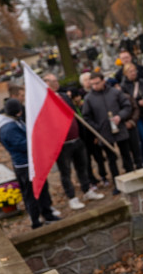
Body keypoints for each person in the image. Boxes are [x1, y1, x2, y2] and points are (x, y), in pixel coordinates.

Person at [43, 74, 104, 210]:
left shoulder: (64, 96)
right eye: (53, 81)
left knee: (82, 167)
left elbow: (74, 114)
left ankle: (87, 190)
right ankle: (72, 197)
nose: (56, 83)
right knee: (66, 172)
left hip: (77, 138)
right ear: (46, 84)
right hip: (62, 144)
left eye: (56, 80)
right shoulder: (45, 102)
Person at [0, 98, 60, 227]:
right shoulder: (8, 128)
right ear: (17, 112)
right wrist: (39, 138)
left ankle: (47, 214)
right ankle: (35, 220)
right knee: (31, 193)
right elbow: (22, 145)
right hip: (25, 165)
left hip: (31, 162)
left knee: (42, 189)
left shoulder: (13, 122)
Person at [82, 73, 135, 188]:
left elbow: (127, 106)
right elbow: (86, 117)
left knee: (126, 154)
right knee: (111, 159)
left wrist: (120, 116)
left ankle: (132, 178)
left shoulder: (115, 93)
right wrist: (98, 127)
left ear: (103, 81)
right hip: (104, 133)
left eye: (97, 83)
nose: (95, 86)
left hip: (120, 128)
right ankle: (117, 184)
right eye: (92, 84)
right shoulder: (89, 98)